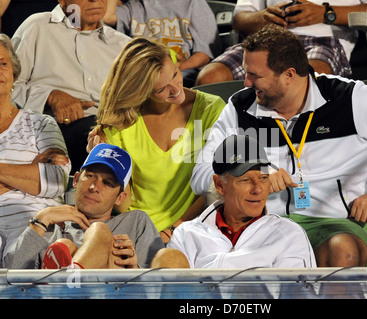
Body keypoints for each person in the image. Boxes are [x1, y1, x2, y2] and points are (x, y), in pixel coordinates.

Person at [190, 25, 367, 267]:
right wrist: (255, 177)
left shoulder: (349, 98)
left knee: (344, 251)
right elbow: (200, 175)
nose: (246, 82)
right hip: (260, 225)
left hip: (330, 224)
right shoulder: (239, 106)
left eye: (255, 75)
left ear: (289, 74)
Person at [87, 37, 226, 243]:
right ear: (141, 92)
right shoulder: (120, 123)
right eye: (162, 89)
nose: (176, 89)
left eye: (175, 74)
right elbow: (123, 205)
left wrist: (172, 232)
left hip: (194, 228)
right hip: (133, 230)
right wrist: (106, 164)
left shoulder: (212, 109)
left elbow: (217, 186)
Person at [152, 135, 316, 269]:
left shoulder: (288, 234)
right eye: (245, 180)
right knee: (167, 257)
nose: (257, 189)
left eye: (264, 178)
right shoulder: (186, 235)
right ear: (219, 185)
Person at [10, 0, 131, 174]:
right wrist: (49, 96)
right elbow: (8, 87)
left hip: (108, 129)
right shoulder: (38, 27)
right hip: (49, 128)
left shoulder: (122, 46)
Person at [4, 143, 165, 269]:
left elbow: (160, 284)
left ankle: (71, 282)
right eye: (89, 176)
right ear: (75, 180)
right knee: (65, 245)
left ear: (120, 198)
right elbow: (10, 277)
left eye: (107, 183)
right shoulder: (50, 225)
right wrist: (41, 218)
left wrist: (134, 269)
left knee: (99, 231)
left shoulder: (136, 222)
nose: (94, 187)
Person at [195, 0, 367, 85]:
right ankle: (218, 158)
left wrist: (325, 13)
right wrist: (263, 17)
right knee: (209, 79)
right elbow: (239, 18)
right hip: (266, 40)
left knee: (307, 79)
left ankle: (297, 157)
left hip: (322, 41)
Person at [0, 33, 70, 266]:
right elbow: (43, 179)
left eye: (3, 63)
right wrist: (31, 170)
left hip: (46, 228)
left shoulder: (41, 124)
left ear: (13, 73)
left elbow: (56, 180)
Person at [103, 0, 221, 88]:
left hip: (182, 72)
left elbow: (204, 55)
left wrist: (177, 67)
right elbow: (107, 17)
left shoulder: (194, 4)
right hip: (142, 74)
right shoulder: (134, 7)